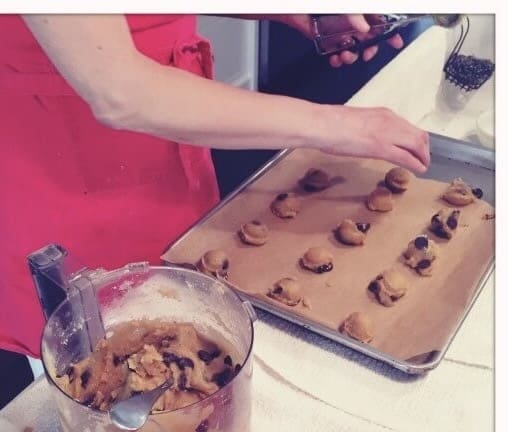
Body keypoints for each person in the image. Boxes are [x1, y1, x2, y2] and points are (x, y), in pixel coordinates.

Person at [0, 13, 429, 385]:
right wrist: (338, 125)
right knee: (97, 382)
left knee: (193, 352)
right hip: (65, 179)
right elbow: (118, 91)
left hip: (169, 152)